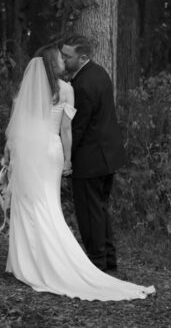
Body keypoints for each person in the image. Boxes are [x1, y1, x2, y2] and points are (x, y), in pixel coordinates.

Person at [1, 45, 154, 301]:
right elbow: (67, 130)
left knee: (27, 203)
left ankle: (25, 260)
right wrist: (68, 161)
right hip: (50, 151)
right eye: (60, 58)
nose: (63, 60)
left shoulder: (29, 93)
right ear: (53, 64)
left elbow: (18, 126)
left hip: (28, 151)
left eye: (66, 56)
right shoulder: (66, 90)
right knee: (47, 204)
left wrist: (10, 151)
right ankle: (55, 258)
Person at [61, 34, 127, 272]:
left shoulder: (82, 85)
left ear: (83, 57)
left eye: (68, 57)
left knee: (90, 213)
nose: (63, 59)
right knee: (99, 209)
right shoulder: (100, 73)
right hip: (108, 156)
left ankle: (97, 264)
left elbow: (77, 128)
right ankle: (108, 259)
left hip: (90, 159)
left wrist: (64, 157)